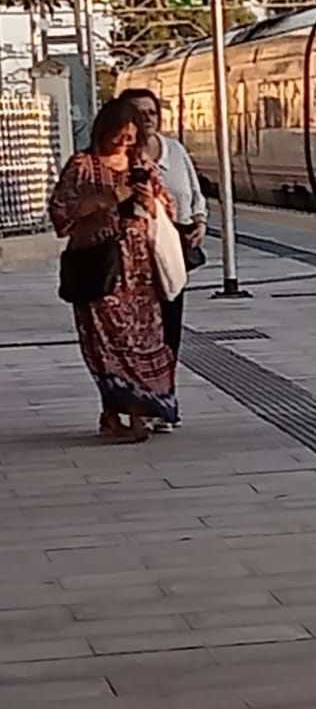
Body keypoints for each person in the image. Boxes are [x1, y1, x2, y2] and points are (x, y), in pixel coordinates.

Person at [47, 97, 180, 443]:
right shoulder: (82, 166)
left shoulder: (142, 164)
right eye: (119, 136)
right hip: (98, 270)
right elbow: (61, 213)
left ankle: (125, 413)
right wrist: (108, 198)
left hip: (139, 273)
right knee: (108, 342)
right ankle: (124, 415)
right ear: (104, 131)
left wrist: (149, 202)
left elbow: (166, 207)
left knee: (143, 339)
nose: (125, 143)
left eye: (131, 137)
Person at [120, 87, 204, 370]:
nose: (147, 118)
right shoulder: (117, 156)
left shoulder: (175, 150)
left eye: (152, 112)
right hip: (132, 256)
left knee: (171, 321)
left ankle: (164, 390)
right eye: (138, 113)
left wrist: (200, 220)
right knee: (138, 326)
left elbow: (194, 192)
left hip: (172, 248)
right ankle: (140, 398)